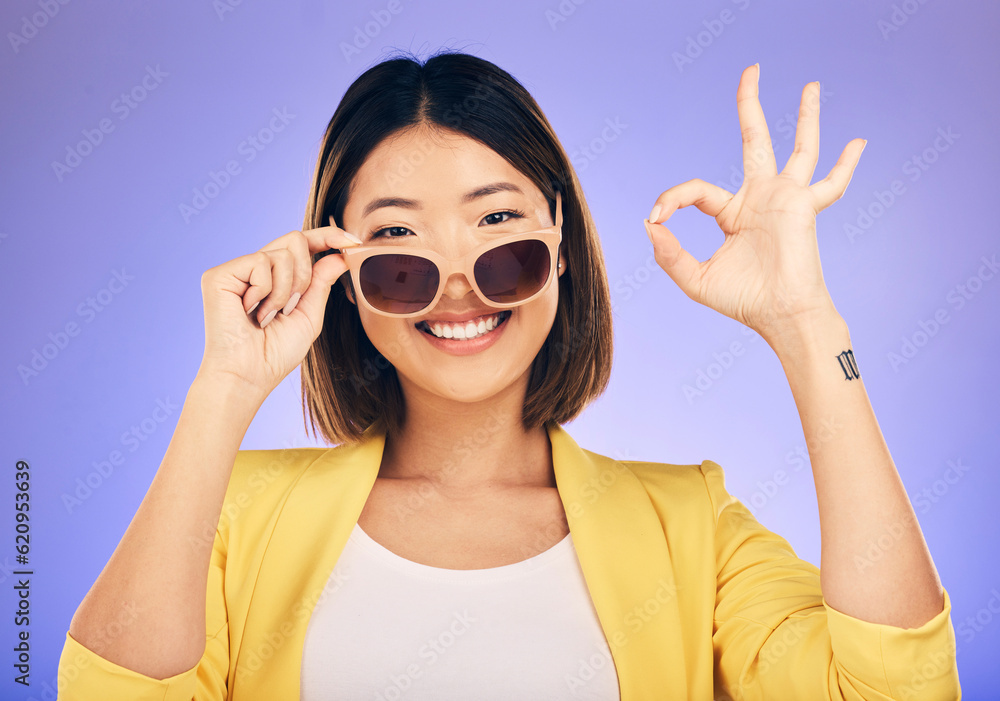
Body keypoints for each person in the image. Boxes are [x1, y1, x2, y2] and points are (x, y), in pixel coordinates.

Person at [56, 50, 960, 700]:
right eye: (399, 244)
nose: (456, 286)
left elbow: (894, 690)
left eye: (498, 228)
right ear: (342, 272)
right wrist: (222, 389)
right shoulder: (236, 516)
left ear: (559, 240)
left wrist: (810, 327)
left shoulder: (690, 525)